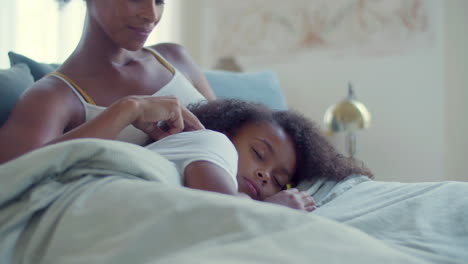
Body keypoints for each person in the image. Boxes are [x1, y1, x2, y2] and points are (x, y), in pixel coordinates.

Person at [0, 0, 215, 164]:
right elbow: (14, 179)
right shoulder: (52, 97)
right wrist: (128, 110)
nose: (151, 14)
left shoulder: (175, 58)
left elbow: (230, 131)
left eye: (159, 1)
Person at [146, 99, 373, 212]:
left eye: (278, 181)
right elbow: (222, 211)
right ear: (226, 133)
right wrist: (276, 206)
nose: (265, 175)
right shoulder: (212, 141)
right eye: (258, 153)